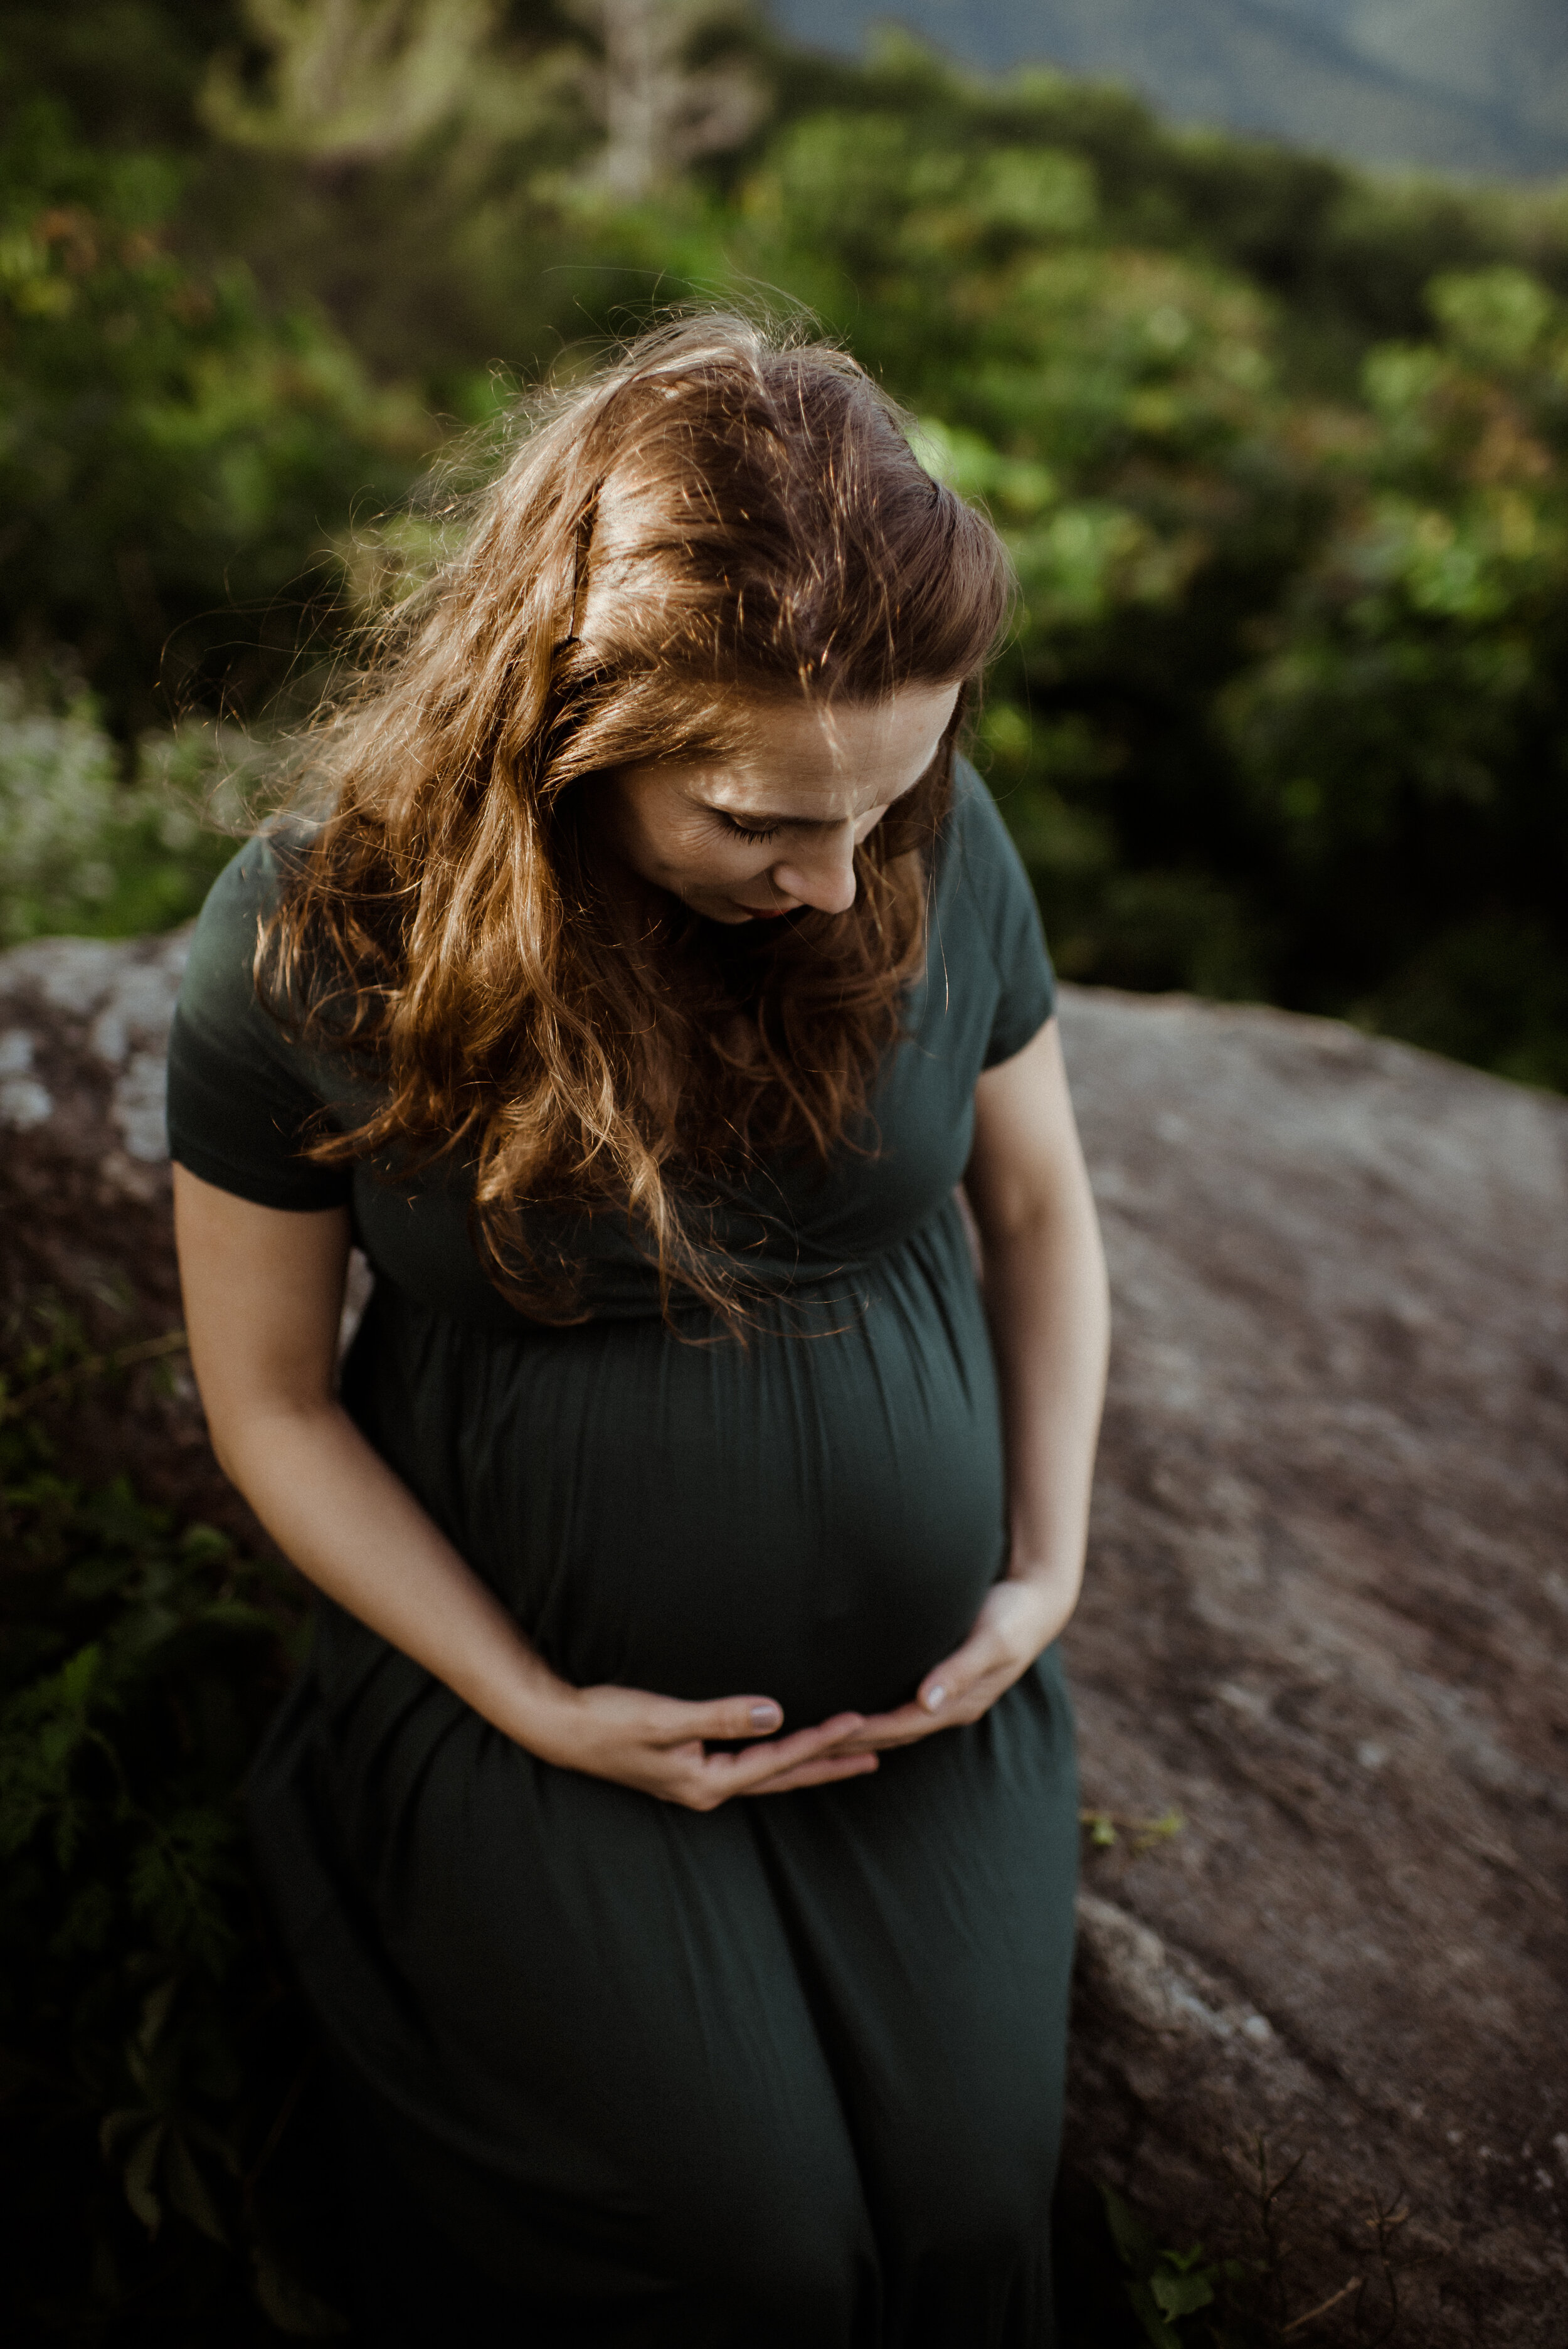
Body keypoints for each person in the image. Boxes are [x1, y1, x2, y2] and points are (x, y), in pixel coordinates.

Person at [167, 314, 1110, 2348]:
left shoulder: (918, 828)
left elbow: (1035, 1205)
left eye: (887, 789)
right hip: (543, 1721)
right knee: (741, 2265)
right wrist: (527, 1699)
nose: (840, 873)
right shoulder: (315, 941)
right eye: (757, 820)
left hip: (922, 1718)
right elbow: (267, 1405)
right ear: (570, 722)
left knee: (961, 2229)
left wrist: (1045, 1564)